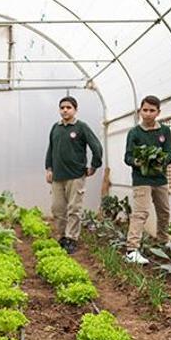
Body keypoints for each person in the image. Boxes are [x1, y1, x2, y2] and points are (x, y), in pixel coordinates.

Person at [44, 96, 103, 253]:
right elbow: (51, 149)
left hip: (76, 175)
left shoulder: (81, 127)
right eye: (62, 107)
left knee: (74, 208)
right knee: (57, 209)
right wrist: (49, 168)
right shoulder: (55, 128)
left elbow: (96, 146)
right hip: (57, 176)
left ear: (75, 110)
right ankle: (62, 236)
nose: (65, 110)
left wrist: (94, 166)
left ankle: (71, 238)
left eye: (68, 107)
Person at [123, 95, 171, 265]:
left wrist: (161, 160)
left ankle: (162, 241)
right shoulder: (134, 133)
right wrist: (138, 161)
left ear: (158, 112)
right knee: (140, 213)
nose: (148, 113)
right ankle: (132, 250)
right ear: (140, 111)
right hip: (141, 179)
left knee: (164, 211)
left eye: (152, 110)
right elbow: (128, 157)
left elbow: (170, 153)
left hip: (160, 179)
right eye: (145, 110)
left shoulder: (165, 131)